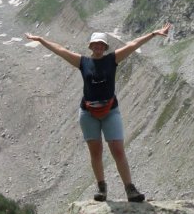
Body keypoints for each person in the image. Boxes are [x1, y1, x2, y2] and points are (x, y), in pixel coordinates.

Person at [24, 24, 171, 202]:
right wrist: (41, 40)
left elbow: (133, 45)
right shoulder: (82, 62)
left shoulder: (113, 59)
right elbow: (61, 50)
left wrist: (154, 34)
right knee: (96, 152)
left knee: (118, 150)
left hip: (111, 111)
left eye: (101, 44)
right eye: (96, 44)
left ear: (105, 47)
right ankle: (102, 188)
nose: (98, 47)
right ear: (91, 46)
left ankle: (130, 189)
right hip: (88, 114)